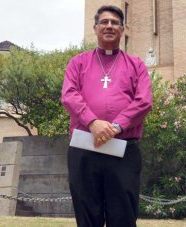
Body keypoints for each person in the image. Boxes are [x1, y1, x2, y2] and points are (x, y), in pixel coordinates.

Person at [61, 5, 152, 227]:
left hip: (124, 149)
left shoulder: (136, 65)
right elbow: (69, 95)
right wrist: (92, 122)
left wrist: (116, 126)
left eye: (114, 22)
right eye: (104, 22)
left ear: (122, 29)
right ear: (95, 28)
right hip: (84, 148)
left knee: (123, 216)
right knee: (87, 215)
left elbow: (144, 101)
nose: (109, 26)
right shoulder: (78, 62)